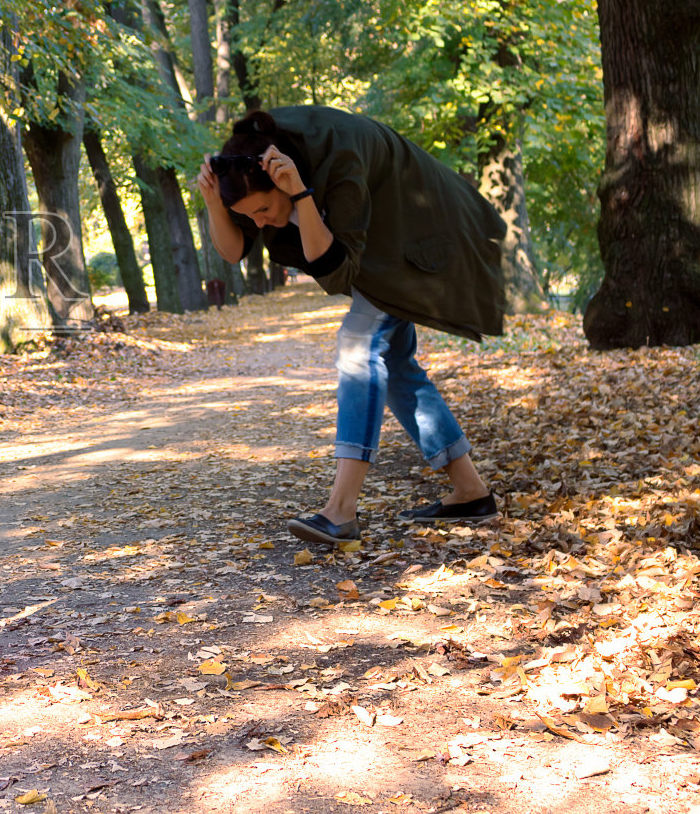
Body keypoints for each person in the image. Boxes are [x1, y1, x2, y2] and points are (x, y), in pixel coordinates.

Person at [196, 107, 506, 547]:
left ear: (285, 178)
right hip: (377, 252)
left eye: (264, 210)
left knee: (359, 349)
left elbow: (337, 272)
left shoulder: (339, 157)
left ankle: (340, 511)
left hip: (420, 237)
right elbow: (232, 252)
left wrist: (302, 196)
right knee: (396, 365)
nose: (260, 223)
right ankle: (472, 493)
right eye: (252, 217)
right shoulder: (251, 173)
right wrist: (214, 202)